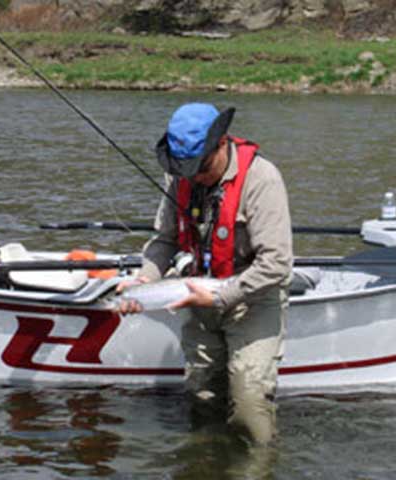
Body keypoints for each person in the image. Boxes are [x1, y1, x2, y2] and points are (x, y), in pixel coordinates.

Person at [118, 102, 293, 445]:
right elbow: (165, 240)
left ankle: (256, 466)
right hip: (198, 301)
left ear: (222, 143)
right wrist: (144, 281)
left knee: (248, 405)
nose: (194, 176)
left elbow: (276, 263)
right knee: (202, 399)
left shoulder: (262, 179)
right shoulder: (181, 176)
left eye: (201, 167)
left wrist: (219, 296)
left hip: (252, 300)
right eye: (187, 169)